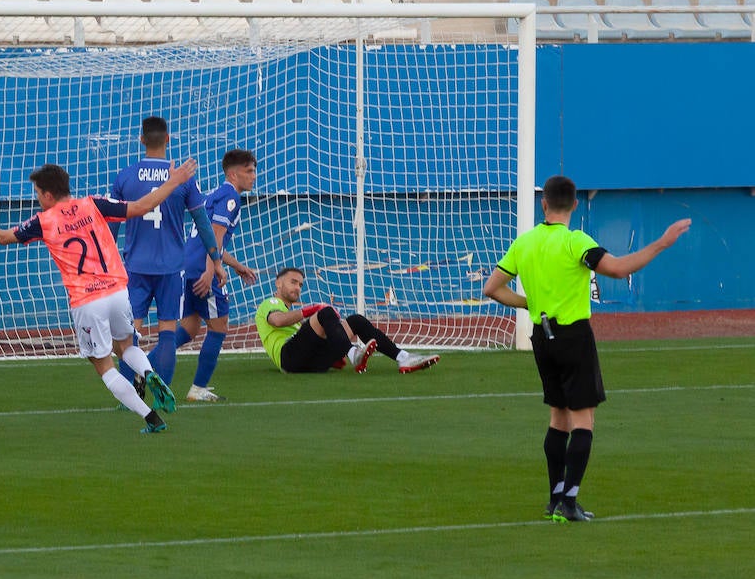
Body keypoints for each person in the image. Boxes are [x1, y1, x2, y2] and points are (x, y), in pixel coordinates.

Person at [483, 174, 690, 523]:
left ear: (543, 204)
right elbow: (618, 268)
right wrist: (661, 243)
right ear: (575, 204)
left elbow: (492, 287)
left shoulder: (526, 242)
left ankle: (554, 499)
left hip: (541, 337)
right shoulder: (575, 241)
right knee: (583, 421)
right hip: (573, 337)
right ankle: (569, 502)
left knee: (557, 418)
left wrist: (528, 303)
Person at [0, 160, 201, 434]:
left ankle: (151, 418)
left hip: (87, 300)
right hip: (117, 291)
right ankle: (149, 374)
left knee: (102, 364)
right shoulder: (94, 204)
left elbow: (4, 237)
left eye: (36, 192)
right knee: (125, 346)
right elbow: (140, 207)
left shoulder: (43, 221)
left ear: (47, 194)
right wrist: (173, 182)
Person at [108, 116, 222, 400]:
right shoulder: (182, 178)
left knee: (130, 333)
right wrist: (216, 260)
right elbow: (203, 222)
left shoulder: (125, 176)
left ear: (141, 140)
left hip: (135, 266)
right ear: (168, 139)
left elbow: (111, 225)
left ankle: (132, 397)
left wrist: (106, 263)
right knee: (168, 331)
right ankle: (164, 394)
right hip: (172, 267)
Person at [170, 149, 261, 403]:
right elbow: (217, 238)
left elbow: (209, 239)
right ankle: (198, 388)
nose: (254, 176)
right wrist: (213, 271)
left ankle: (143, 366)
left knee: (188, 328)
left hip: (187, 267)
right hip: (203, 270)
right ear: (233, 174)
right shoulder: (231, 197)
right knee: (219, 328)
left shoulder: (213, 196)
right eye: (249, 171)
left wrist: (237, 266)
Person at [255, 267, 441, 376]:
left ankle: (403, 358)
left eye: (300, 285)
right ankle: (354, 355)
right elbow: (277, 321)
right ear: (278, 283)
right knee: (325, 311)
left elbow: (312, 333)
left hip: (312, 363)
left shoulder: (293, 314)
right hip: (289, 359)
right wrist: (313, 309)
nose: (297, 287)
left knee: (356, 321)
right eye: (293, 282)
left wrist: (335, 345)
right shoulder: (270, 303)